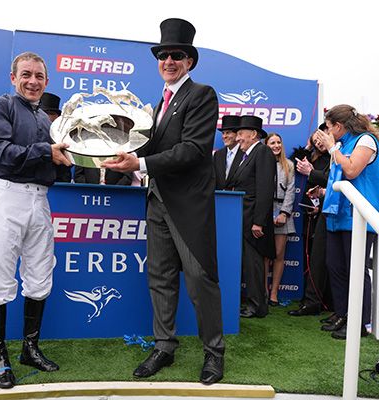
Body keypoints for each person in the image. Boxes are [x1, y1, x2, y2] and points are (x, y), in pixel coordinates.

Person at [102, 18, 225, 385]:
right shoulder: (159, 103)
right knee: (160, 276)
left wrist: (139, 162)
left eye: (177, 55)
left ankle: (214, 353)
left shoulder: (202, 94)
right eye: (163, 55)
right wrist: (110, 142)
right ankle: (164, 346)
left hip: (189, 204)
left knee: (201, 279)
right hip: (156, 199)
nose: (168, 61)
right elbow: (152, 146)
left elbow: (192, 150)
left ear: (189, 61)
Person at [0, 52, 71, 389]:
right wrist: (47, 152)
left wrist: (68, 160)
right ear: (13, 76)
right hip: (6, 198)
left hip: (40, 201)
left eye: (39, 76)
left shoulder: (48, 121)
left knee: (39, 278)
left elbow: (53, 165)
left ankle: (30, 349)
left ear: (47, 81)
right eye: (27, 75)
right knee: (0, 282)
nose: (33, 81)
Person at [315, 104, 379, 340]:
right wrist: (322, 193)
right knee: (335, 266)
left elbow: (352, 170)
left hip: (359, 216)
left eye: (330, 127)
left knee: (356, 269)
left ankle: (360, 322)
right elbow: (339, 179)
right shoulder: (341, 145)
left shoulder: (366, 141)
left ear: (339, 126)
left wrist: (333, 148)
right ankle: (342, 314)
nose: (328, 131)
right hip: (337, 214)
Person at [229, 116, 276, 319]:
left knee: (254, 265)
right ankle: (252, 302)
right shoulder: (246, 156)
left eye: (240, 134)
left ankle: (257, 306)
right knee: (248, 265)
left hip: (252, 221)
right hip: (242, 218)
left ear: (253, 134)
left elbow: (265, 189)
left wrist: (259, 221)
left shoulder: (262, 151)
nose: (237, 138)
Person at [288, 125, 333, 317]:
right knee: (314, 258)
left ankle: (324, 301)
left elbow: (331, 182)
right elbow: (291, 163)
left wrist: (320, 199)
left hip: (326, 210)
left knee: (328, 260)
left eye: (321, 138)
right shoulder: (312, 157)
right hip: (311, 214)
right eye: (315, 141)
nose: (319, 143)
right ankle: (313, 299)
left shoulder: (335, 158)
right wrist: (307, 147)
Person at [264, 133, 295, 306]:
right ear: (266, 145)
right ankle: (263, 290)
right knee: (264, 256)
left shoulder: (289, 165)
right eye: (272, 143)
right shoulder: (261, 163)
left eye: (278, 142)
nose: (276, 145)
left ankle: (274, 293)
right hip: (264, 211)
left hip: (283, 210)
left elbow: (291, 191)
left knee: (278, 254)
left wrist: (284, 213)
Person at [40, 92, 72, 183]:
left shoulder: (64, 136)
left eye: (51, 113)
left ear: (57, 117)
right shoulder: (27, 133)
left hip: (59, 183)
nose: (47, 117)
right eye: (43, 113)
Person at [213, 115, 243, 190]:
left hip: (238, 199)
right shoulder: (218, 154)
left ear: (237, 134)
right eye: (223, 133)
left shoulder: (245, 153)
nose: (224, 136)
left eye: (228, 133)